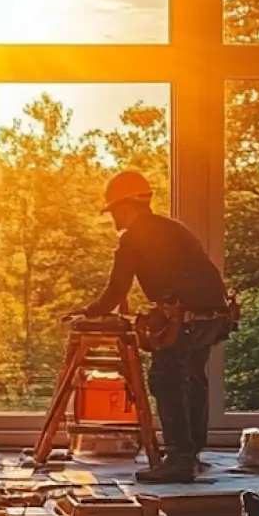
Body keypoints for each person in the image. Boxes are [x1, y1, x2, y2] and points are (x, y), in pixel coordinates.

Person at [82, 170, 231, 483]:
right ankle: (191, 453)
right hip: (214, 316)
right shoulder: (173, 228)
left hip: (186, 318)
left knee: (165, 378)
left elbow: (116, 289)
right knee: (192, 377)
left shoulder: (134, 238)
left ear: (127, 206)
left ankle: (179, 460)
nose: (113, 218)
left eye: (114, 210)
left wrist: (90, 312)